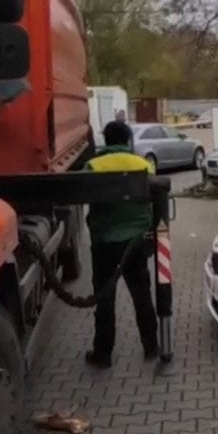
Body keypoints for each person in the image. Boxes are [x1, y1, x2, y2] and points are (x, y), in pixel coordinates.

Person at [84, 120, 158, 368]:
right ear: (128, 141)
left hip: (104, 242)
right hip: (135, 243)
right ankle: (151, 347)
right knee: (141, 295)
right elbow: (154, 198)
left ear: (106, 140)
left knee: (105, 298)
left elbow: (80, 193)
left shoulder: (93, 165)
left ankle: (103, 354)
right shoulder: (143, 165)